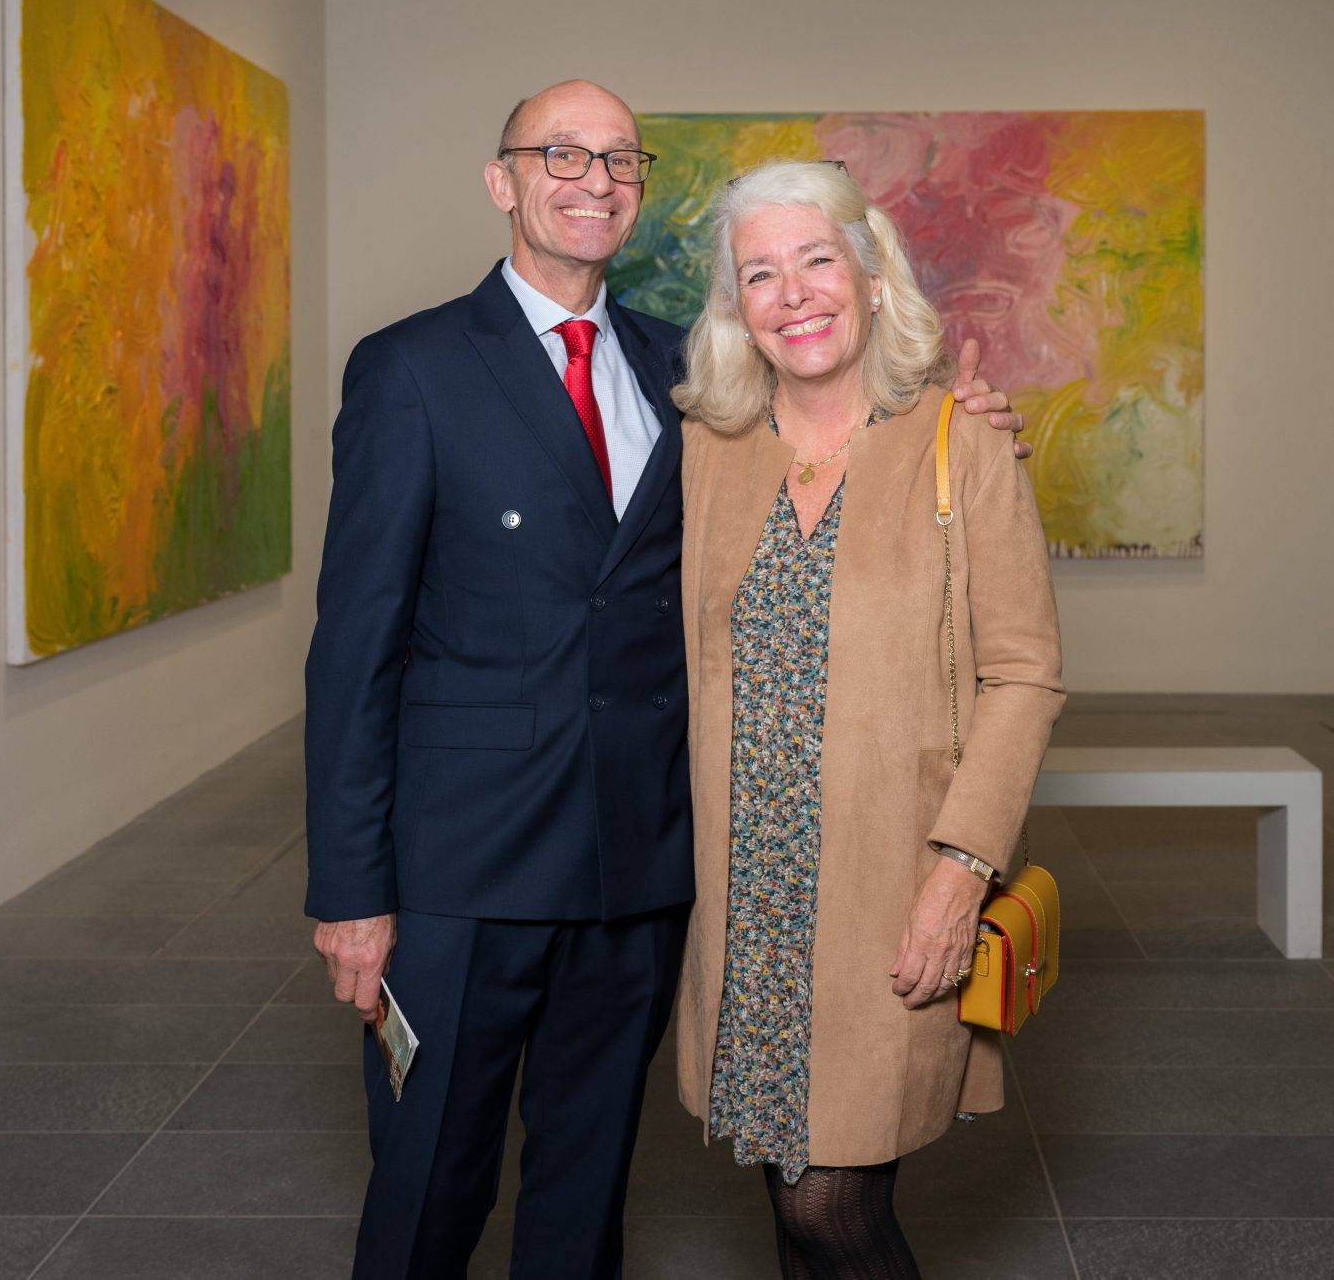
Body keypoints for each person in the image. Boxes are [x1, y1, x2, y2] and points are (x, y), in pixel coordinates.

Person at [304, 81, 1027, 1279]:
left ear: (639, 194)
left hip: (635, 875)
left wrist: (976, 416)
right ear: (503, 182)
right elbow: (352, 649)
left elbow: (840, 431)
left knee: (586, 1194)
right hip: (457, 878)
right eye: (560, 154)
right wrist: (349, 891)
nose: (592, 178)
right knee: (429, 1187)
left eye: (619, 160)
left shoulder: (687, 375)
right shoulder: (411, 369)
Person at [671, 159, 1067, 1277]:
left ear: (870, 274)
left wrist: (960, 868)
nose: (792, 292)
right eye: (759, 273)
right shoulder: (707, 450)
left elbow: (1024, 673)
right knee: (790, 1201)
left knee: (828, 1209)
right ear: (735, 312)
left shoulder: (960, 439)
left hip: (888, 895)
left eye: (814, 260)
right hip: (745, 901)